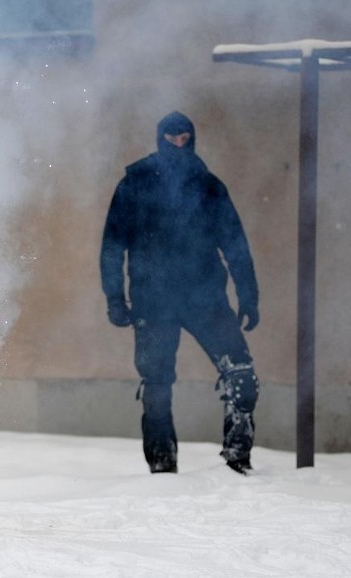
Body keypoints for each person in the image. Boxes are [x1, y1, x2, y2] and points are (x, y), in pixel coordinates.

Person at [100, 111, 261, 475]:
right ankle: (162, 469)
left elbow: (235, 244)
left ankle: (238, 462)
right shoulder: (135, 184)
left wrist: (248, 295)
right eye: (171, 137)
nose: (177, 144)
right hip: (153, 299)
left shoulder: (208, 186)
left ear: (193, 138)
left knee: (241, 375)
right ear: (160, 138)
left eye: (184, 137)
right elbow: (112, 245)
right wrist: (114, 296)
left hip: (204, 297)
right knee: (157, 387)